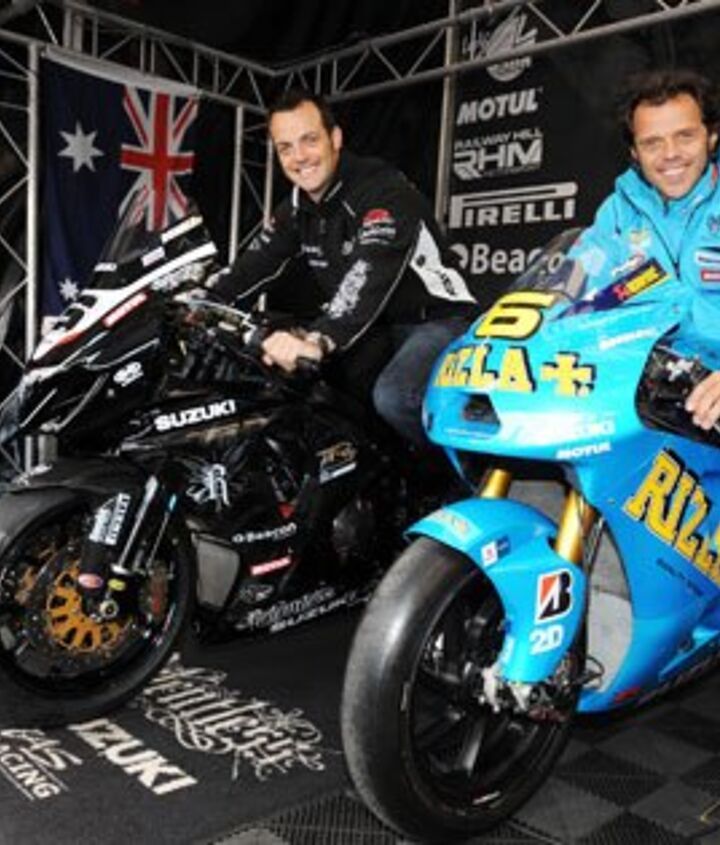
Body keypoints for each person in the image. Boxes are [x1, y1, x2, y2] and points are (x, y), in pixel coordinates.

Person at [209, 88, 477, 446]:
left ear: (334, 138)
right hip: (373, 328)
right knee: (307, 393)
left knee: (396, 397)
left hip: (437, 319)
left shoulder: (383, 190)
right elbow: (252, 266)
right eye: (285, 147)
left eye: (309, 140)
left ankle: (464, 476)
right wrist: (201, 301)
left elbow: (369, 273)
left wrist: (318, 338)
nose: (299, 157)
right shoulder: (297, 206)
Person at [570, 67, 720, 430]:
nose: (670, 154)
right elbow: (573, 288)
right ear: (634, 152)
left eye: (685, 136)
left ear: (712, 137)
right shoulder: (617, 212)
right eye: (652, 143)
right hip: (644, 391)